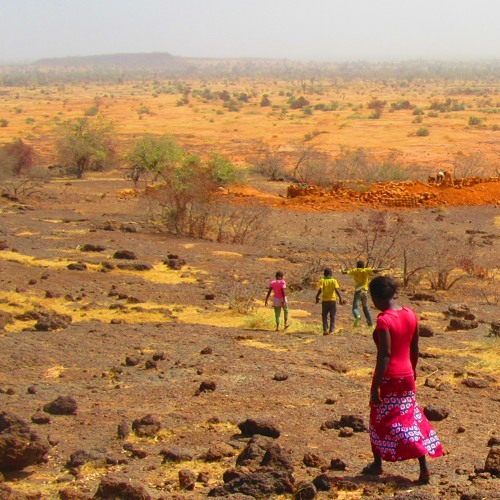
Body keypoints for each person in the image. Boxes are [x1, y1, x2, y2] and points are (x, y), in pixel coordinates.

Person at [364, 275, 443, 483]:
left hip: (390, 377)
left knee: (379, 419)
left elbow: (385, 355)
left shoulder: (384, 320)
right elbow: (415, 348)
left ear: (376, 298)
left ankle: (378, 464)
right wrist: (413, 370)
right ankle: (423, 467)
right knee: (410, 419)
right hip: (407, 374)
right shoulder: (410, 314)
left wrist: (375, 386)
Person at [342, 261, 380, 327]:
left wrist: (342, 268)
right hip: (365, 291)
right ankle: (370, 325)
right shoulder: (366, 270)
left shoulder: (354, 271)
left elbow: (344, 272)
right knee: (365, 308)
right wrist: (386, 268)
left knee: (355, 307)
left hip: (358, 291)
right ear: (363, 266)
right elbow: (376, 271)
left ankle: (357, 315)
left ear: (357, 265)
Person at [315, 268, 344, 335]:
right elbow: (336, 290)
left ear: (324, 274)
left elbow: (320, 290)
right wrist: (340, 298)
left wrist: (317, 297)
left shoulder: (322, 280)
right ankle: (331, 330)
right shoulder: (334, 281)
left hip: (325, 301)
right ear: (331, 274)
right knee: (332, 316)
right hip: (332, 300)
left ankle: (325, 330)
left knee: (324, 315)